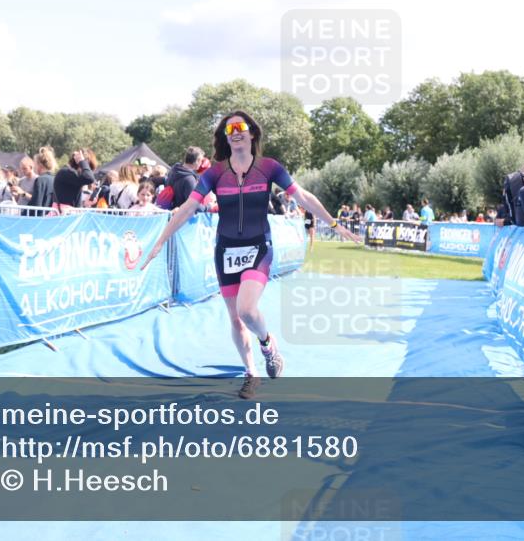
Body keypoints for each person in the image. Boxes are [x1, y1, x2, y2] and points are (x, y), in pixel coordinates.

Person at [141, 111, 360, 399]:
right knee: (235, 319)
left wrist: (334, 224)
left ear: (252, 133)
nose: (235, 131)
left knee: (247, 309)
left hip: (259, 248)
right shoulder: (215, 173)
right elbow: (187, 209)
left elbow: (303, 197)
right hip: (226, 250)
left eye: (240, 126)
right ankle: (251, 373)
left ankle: (268, 344)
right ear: (225, 136)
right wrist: (159, 241)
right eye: (229, 128)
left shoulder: (269, 167)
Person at [162, 146, 207, 211]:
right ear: (197, 161)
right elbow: (193, 205)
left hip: (169, 213)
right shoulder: (189, 179)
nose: (201, 164)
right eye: (201, 161)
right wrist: (208, 207)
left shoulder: (173, 171)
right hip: (182, 217)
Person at [24, 147, 57, 216]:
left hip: (39, 220)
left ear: (40, 165)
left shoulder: (40, 180)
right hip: (51, 219)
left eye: (35, 164)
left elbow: (36, 203)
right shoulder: (55, 179)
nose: (34, 167)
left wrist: (22, 215)